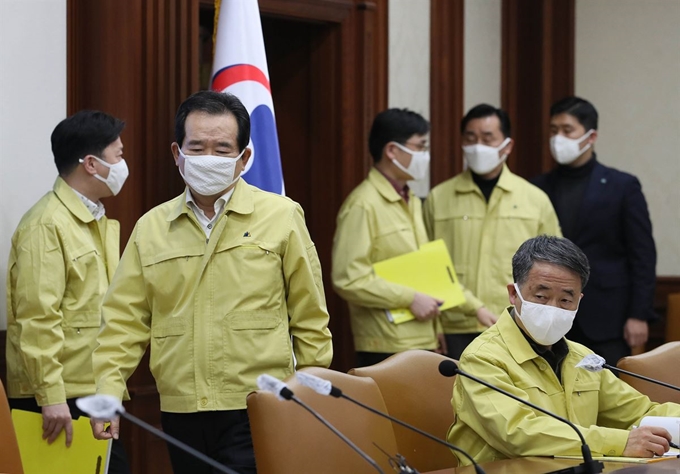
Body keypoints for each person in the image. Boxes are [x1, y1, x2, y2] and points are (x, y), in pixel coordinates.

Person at [89, 90, 333, 474]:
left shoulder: (282, 217)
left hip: (260, 402)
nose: (208, 159)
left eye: (222, 149)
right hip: (181, 409)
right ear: (177, 153)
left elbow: (310, 316)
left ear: (244, 157)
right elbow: (123, 320)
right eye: (197, 147)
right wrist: (106, 390)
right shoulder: (151, 227)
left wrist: (310, 394)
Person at [447, 235, 680, 465]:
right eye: (541, 296)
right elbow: (519, 433)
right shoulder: (482, 358)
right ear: (513, 293)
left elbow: (640, 412)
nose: (552, 308)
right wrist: (620, 442)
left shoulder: (582, 359)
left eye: (565, 301)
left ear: (579, 300)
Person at [6, 110, 130, 473]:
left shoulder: (95, 219)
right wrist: (51, 397)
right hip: (62, 400)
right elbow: (37, 317)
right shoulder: (46, 224)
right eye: (118, 155)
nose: (124, 163)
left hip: (99, 391)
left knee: (111, 469)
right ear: (91, 164)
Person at [423, 104, 561, 360]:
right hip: (454, 324)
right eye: (470, 138)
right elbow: (427, 265)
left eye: (487, 138)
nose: (478, 146)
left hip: (515, 322)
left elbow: (555, 268)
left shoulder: (534, 199)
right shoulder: (439, 198)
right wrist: (433, 328)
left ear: (507, 145)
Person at [532, 97, 657, 366]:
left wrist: (639, 314)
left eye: (567, 130)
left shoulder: (622, 186)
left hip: (607, 317)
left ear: (591, 136)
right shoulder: (537, 187)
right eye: (553, 131)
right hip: (549, 313)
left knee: (605, 397)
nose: (558, 138)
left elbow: (642, 254)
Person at [332, 108, 443, 368]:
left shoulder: (411, 199)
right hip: (385, 344)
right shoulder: (363, 204)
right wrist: (410, 298)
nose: (425, 156)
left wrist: (435, 329)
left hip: (422, 338)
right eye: (420, 146)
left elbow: (420, 268)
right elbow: (349, 277)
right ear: (392, 150)